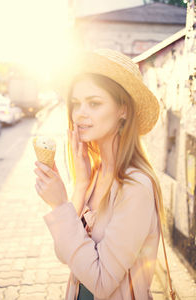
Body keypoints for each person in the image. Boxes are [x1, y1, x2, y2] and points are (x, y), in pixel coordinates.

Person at [34, 48, 165, 300]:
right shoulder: (94, 173)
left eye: (94, 103)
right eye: (75, 104)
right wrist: (80, 186)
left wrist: (60, 204)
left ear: (123, 110)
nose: (79, 113)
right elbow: (64, 254)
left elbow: (102, 283)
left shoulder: (135, 186)